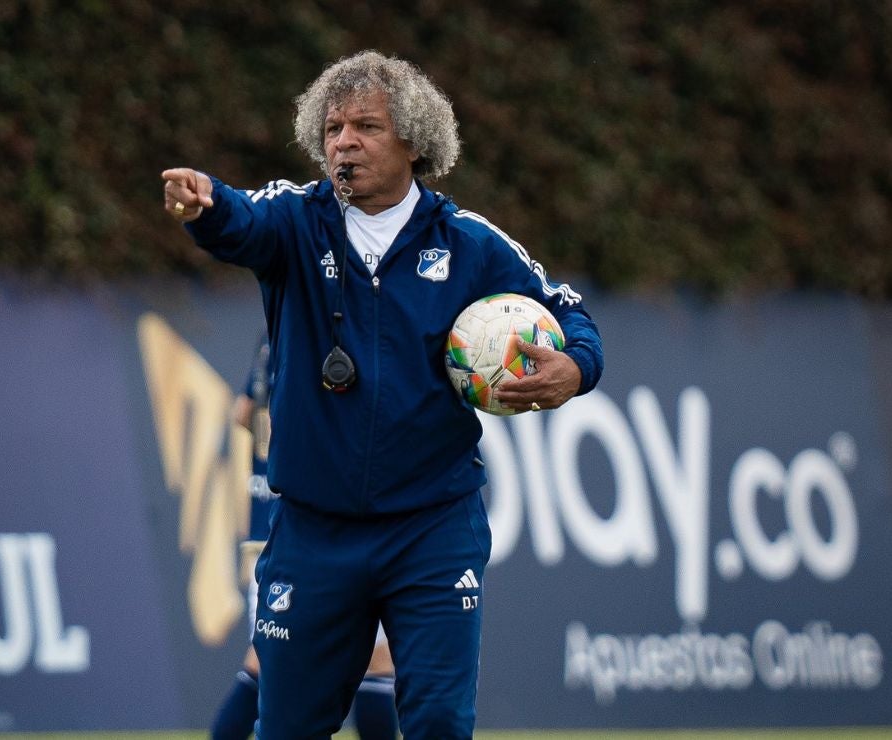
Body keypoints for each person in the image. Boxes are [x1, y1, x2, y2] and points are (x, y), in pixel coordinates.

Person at [163, 50, 603, 740]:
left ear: (414, 141)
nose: (344, 141)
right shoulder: (296, 222)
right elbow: (240, 221)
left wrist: (575, 367)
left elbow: (567, 310)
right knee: (285, 727)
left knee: (436, 722)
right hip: (314, 530)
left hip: (431, 528)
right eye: (333, 127)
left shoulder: (470, 244)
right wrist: (206, 203)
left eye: (365, 125)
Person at [210, 333, 398, 740]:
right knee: (275, 669)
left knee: (367, 662)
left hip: (268, 526)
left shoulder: (277, 335)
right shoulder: (335, 333)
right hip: (309, 529)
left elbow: (243, 412)